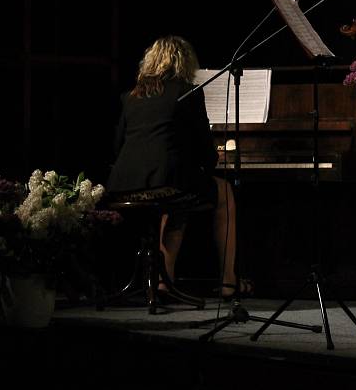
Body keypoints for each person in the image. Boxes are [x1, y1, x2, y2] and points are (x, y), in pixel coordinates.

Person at [107, 35, 252, 301]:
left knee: (175, 201)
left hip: (124, 186)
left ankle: (163, 281)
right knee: (224, 193)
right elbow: (206, 156)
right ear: (185, 63)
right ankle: (228, 282)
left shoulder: (130, 97)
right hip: (165, 185)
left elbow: (118, 147)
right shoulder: (187, 93)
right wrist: (209, 159)